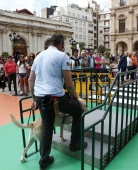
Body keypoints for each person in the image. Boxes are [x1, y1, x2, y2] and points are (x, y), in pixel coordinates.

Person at [28, 34, 87, 170]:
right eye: (63, 45)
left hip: (40, 97)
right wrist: (76, 97)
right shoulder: (62, 56)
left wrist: (33, 99)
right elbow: (69, 83)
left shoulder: (39, 56)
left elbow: (31, 80)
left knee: (48, 126)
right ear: (60, 44)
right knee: (78, 111)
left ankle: (44, 160)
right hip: (55, 97)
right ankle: (75, 144)